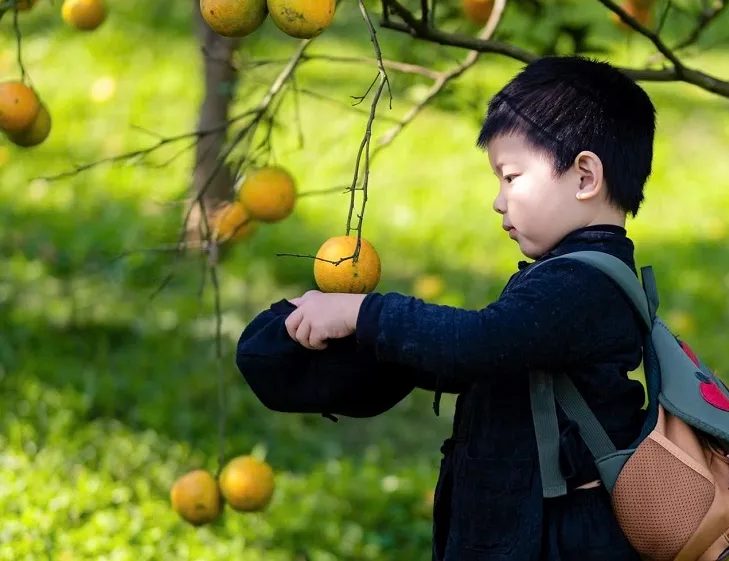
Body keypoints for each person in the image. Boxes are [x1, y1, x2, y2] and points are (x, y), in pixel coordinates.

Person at [236, 55, 657, 560]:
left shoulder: (582, 283)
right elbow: (500, 358)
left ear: (585, 176)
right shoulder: (569, 274)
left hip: (560, 538)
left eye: (511, 176)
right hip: (535, 524)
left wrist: (363, 314)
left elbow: (483, 342)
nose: (498, 201)